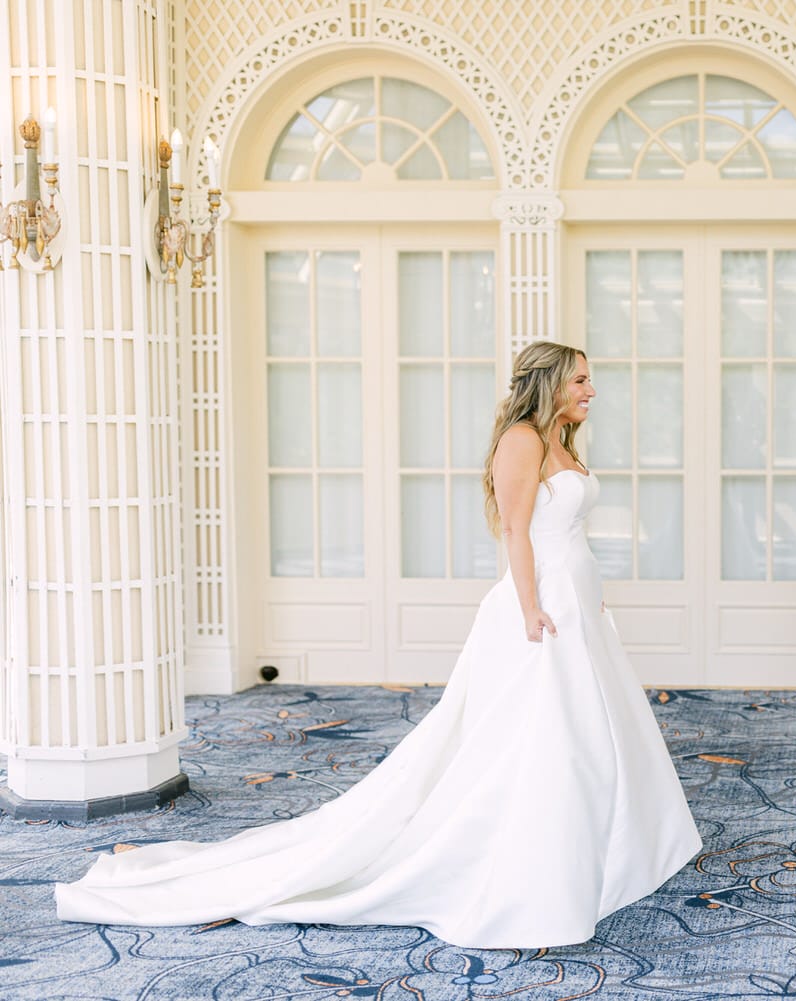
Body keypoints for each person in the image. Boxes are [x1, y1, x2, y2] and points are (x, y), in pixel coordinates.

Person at [55, 341, 702, 948]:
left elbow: (567, 532)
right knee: (537, 740)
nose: (593, 388)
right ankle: (526, 871)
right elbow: (515, 531)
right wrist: (532, 607)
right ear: (550, 383)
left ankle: (586, 856)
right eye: (581, 378)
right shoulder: (521, 439)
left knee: (585, 738)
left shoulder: (561, 440)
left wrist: (589, 596)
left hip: (575, 607)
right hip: (538, 612)